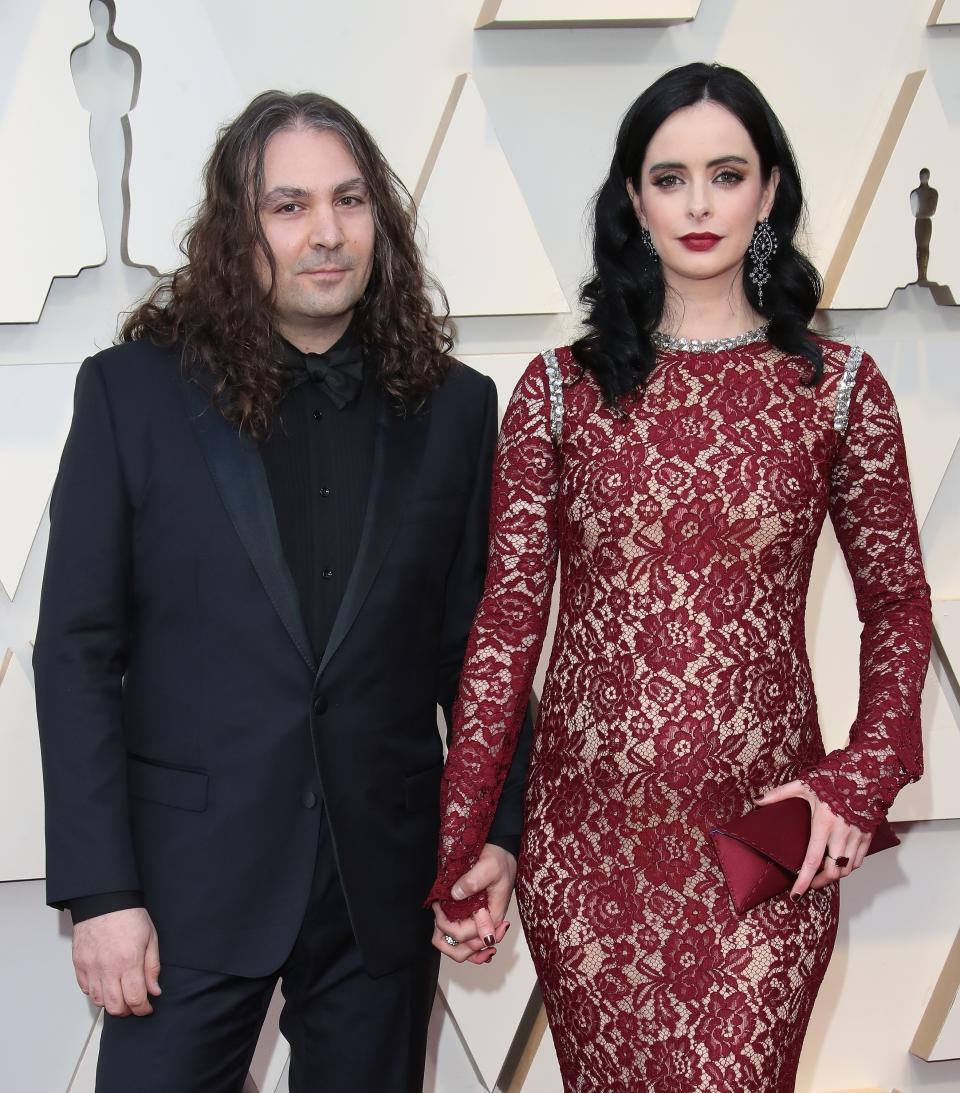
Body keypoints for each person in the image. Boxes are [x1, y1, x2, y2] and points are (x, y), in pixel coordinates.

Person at [428, 62, 931, 1091]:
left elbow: (897, 608)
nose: (699, 204)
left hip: (763, 842)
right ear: (632, 198)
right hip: (588, 857)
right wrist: (463, 844)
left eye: (727, 173)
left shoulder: (838, 392)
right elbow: (505, 626)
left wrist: (858, 778)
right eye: (670, 177)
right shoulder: (558, 394)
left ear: (771, 190)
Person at [34, 90, 528, 1093]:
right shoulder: (131, 394)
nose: (327, 234)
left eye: (349, 202)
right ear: (239, 226)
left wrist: (496, 833)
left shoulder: (457, 409)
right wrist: (101, 892)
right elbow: (78, 650)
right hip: (178, 892)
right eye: (289, 205)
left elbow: (476, 653)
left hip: (380, 889)